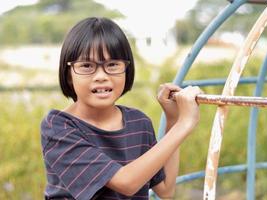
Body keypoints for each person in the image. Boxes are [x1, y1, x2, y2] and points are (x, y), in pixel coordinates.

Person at [40, 17, 201, 200]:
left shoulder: (139, 122)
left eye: (112, 65)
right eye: (86, 66)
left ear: (126, 69)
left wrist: (173, 120)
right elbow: (126, 183)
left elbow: (165, 190)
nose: (101, 76)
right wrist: (184, 124)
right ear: (69, 74)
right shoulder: (58, 126)